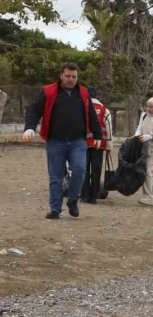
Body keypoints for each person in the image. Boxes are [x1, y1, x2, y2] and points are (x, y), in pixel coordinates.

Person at [23, 62, 103, 219]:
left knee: (80, 170)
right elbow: (34, 110)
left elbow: (91, 115)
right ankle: (55, 209)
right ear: (61, 76)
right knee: (56, 177)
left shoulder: (84, 93)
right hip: (55, 141)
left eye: (74, 76)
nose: (71, 79)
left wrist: (98, 134)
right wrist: (29, 127)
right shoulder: (48, 92)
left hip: (78, 142)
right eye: (68, 76)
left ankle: (73, 199)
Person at [81, 87, 113, 204]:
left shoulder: (82, 108)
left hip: (83, 143)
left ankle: (84, 195)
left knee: (83, 169)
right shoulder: (105, 110)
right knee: (96, 169)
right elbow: (109, 128)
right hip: (99, 144)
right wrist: (109, 145)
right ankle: (94, 196)